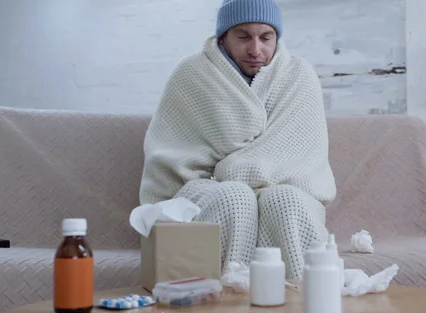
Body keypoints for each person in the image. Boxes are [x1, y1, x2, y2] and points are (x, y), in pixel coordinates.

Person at [139, 0, 336, 280]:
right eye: (243, 37)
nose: (256, 50)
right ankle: (226, 296)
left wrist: (236, 170)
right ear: (224, 38)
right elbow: (170, 151)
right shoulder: (191, 74)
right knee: (234, 197)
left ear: (277, 37)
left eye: (265, 37)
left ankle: (306, 297)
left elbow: (303, 155)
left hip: (283, 183)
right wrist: (231, 181)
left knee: (286, 200)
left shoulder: (299, 76)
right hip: (203, 188)